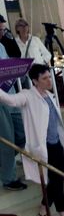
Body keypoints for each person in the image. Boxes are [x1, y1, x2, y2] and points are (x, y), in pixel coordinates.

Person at [0, 63, 64, 216]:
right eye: (44, 78)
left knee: (57, 180)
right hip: (43, 147)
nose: (49, 80)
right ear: (35, 81)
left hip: (56, 144)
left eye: (49, 77)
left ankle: (43, 212)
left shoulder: (50, 96)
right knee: (56, 183)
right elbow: (10, 100)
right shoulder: (27, 95)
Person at [0, 43, 27, 191]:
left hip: (10, 95)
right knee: (7, 140)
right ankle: (8, 178)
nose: (2, 33)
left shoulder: (1, 46)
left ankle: (4, 162)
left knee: (23, 132)